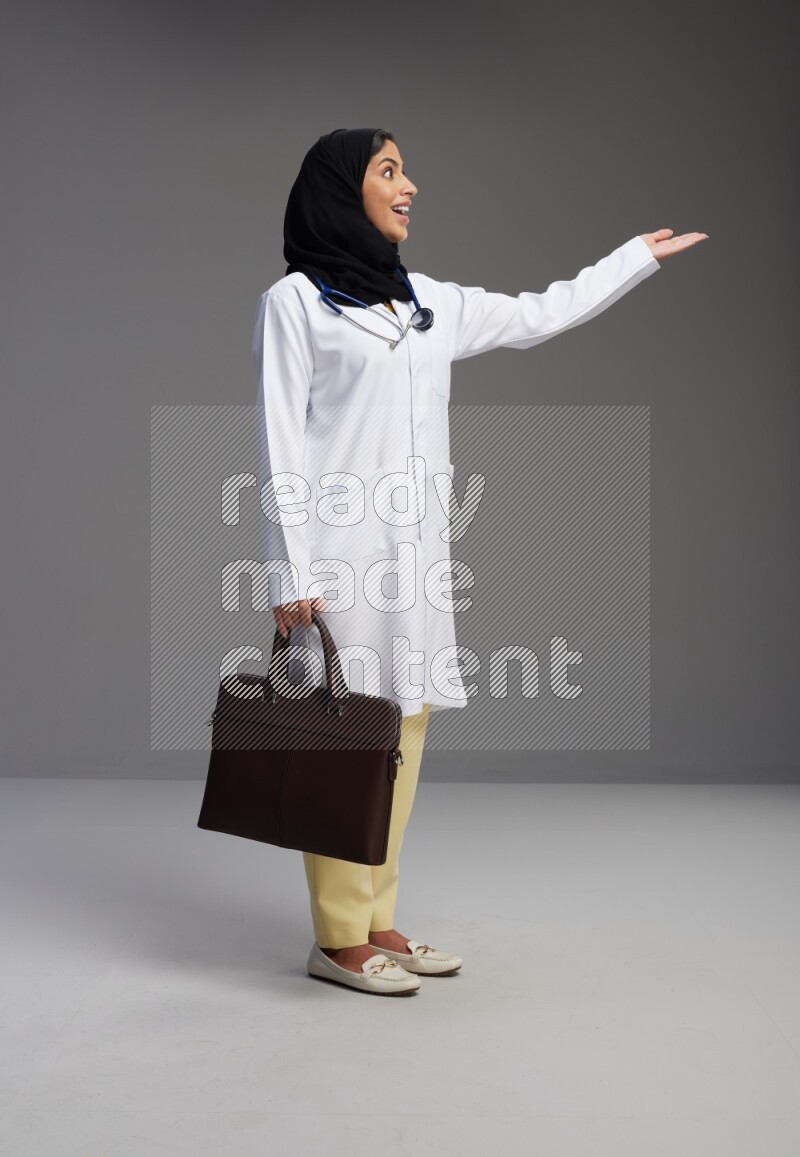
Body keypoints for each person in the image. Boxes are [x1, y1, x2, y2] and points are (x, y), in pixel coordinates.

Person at [253, 127, 708, 995]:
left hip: (420, 560)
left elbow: (540, 313)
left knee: (403, 734)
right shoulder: (296, 304)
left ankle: (378, 918)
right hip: (340, 563)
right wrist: (289, 572)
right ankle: (338, 937)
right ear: (343, 189)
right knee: (343, 741)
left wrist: (632, 259)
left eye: (405, 170)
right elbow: (279, 443)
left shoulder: (427, 301)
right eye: (390, 171)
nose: (410, 186)